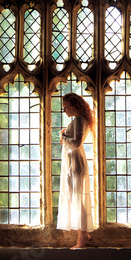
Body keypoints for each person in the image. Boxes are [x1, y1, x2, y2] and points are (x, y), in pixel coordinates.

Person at [57, 92, 95, 249]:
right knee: (76, 199)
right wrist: (66, 135)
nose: (64, 111)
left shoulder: (79, 121)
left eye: (65, 107)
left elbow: (77, 143)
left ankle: (83, 236)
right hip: (73, 163)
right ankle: (82, 234)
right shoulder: (78, 121)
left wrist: (62, 136)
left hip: (76, 164)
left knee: (78, 199)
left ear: (73, 105)